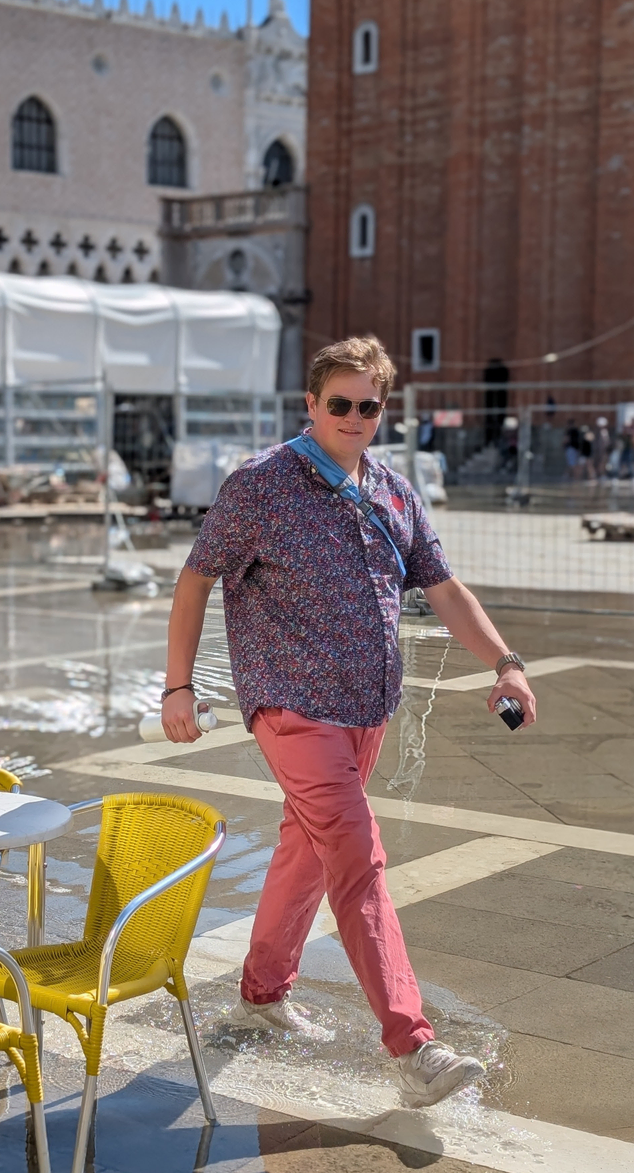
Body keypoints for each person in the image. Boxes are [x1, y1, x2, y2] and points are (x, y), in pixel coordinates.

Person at [160, 336, 537, 1108]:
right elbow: (196, 578)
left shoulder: (394, 490)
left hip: (366, 709)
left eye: (370, 405)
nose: (355, 418)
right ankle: (413, 1046)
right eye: (340, 404)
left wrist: (506, 662)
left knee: (306, 850)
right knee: (359, 858)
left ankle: (261, 999)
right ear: (310, 403)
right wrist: (177, 686)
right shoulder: (261, 486)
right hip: (290, 706)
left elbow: (445, 587)